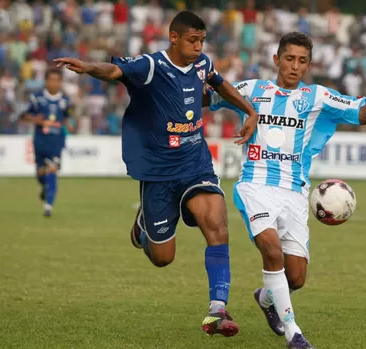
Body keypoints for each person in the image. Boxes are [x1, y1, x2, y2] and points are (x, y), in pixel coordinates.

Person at [53, 11, 258, 336]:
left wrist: (249, 110)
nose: (198, 46)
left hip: (196, 164)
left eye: (202, 40)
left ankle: (217, 311)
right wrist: (89, 67)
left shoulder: (202, 64)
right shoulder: (152, 66)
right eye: (193, 40)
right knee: (163, 258)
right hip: (160, 172)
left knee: (216, 223)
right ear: (174, 37)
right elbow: (116, 69)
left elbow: (220, 84)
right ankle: (145, 223)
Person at [204, 32, 366, 349]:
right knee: (272, 252)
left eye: (302, 61)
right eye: (289, 59)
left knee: (297, 276)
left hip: (295, 193)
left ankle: (267, 296)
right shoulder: (252, 89)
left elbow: (362, 115)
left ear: (309, 65)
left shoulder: (318, 97)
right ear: (276, 60)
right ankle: (293, 334)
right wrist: (178, 85)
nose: (295, 66)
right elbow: (208, 98)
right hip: (255, 186)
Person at [23, 68, 74, 217]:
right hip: (40, 141)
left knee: (52, 171)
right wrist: (36, 120)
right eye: (51, 80)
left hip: (56, 142)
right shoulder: (37, 98)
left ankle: (48, 206)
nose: (54, 83)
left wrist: (69, 125)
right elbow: (25, 116)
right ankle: (44, 187)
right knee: (40, 174)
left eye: (57, 80)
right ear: (46, 81)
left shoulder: (65, 101)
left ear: (60, 82)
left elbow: (66, 117)